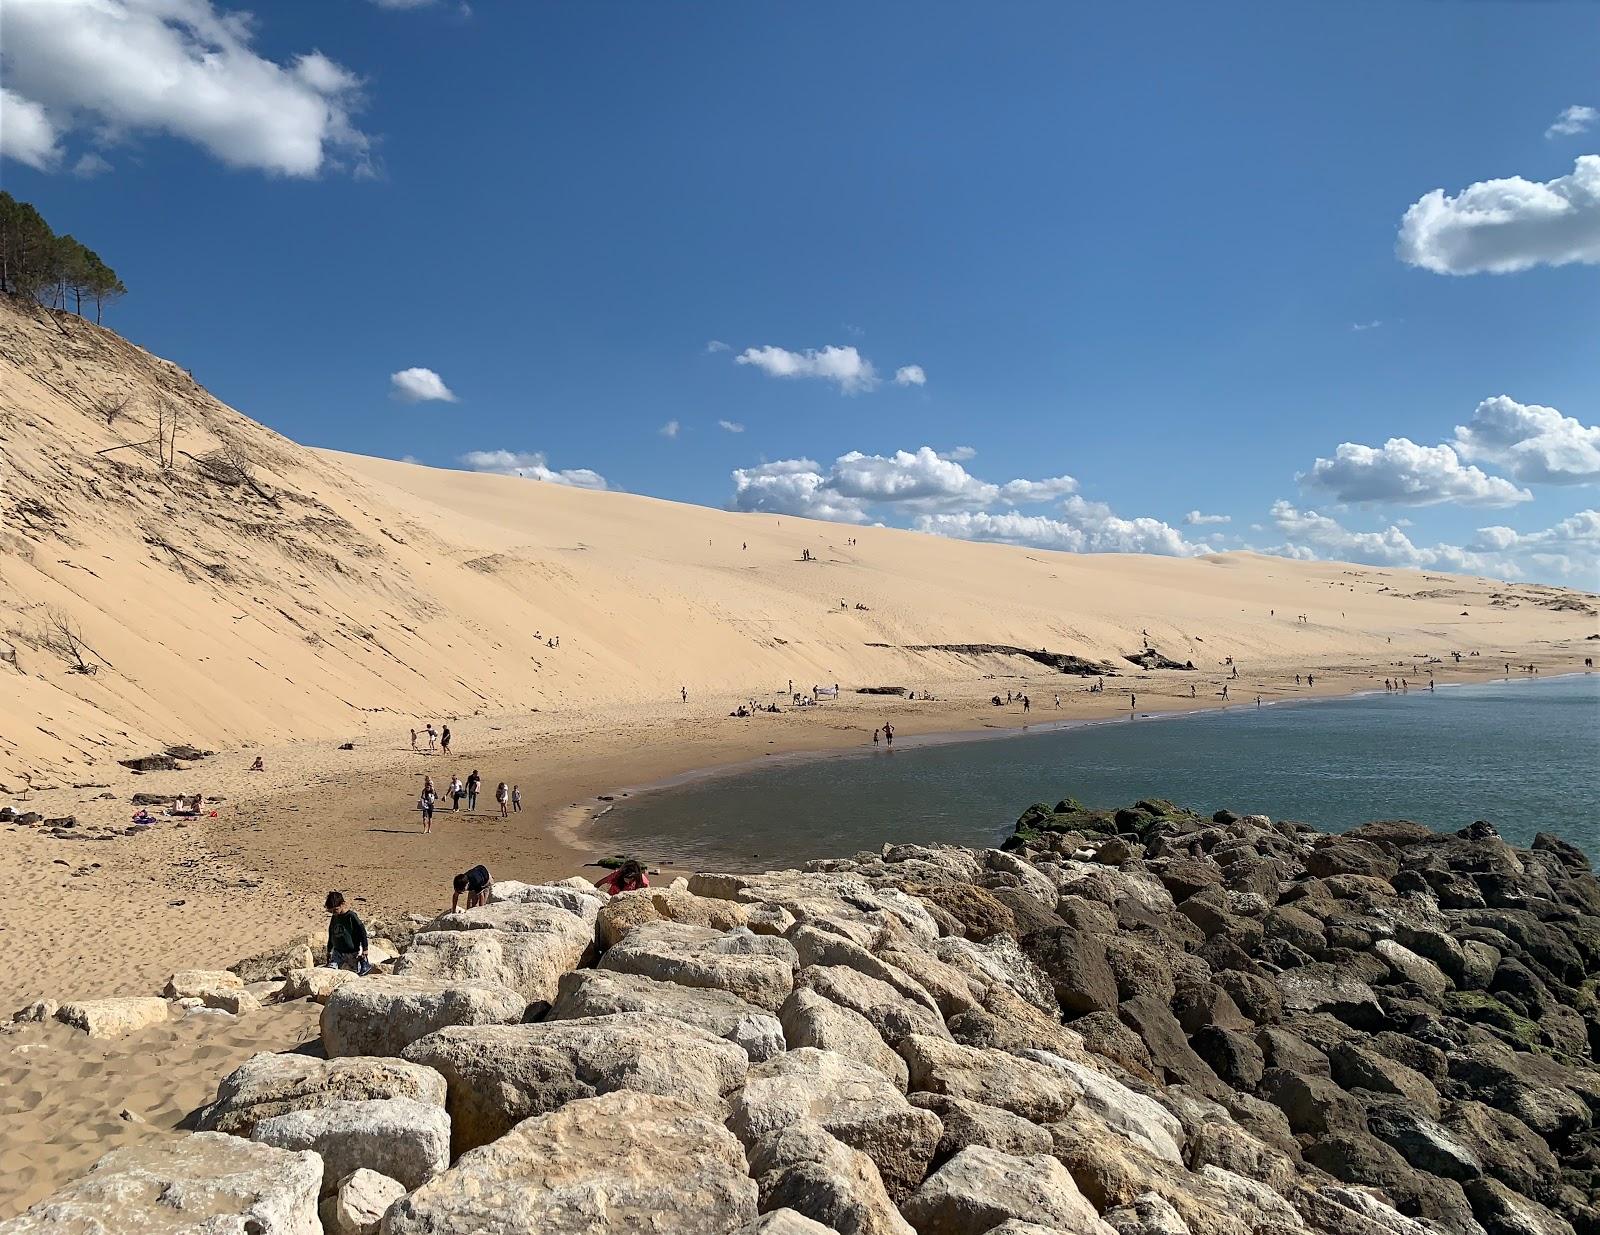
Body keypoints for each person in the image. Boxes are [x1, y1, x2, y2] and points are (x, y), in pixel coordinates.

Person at [324, 892, 370, 974]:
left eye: (335, 910)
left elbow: (362, 931)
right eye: (331, 911)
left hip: (352, 953)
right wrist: (329, 950)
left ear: (342, 904)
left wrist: (365, 949)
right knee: (330, 971)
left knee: (353, 974)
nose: (334, 913)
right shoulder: (334, 917)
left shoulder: (351, 916)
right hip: (337, 952)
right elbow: (331, 934)